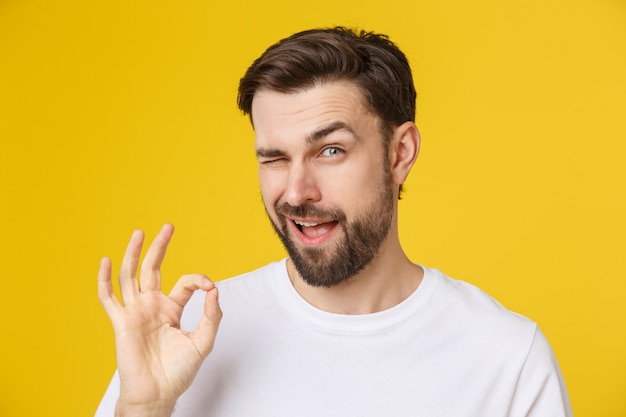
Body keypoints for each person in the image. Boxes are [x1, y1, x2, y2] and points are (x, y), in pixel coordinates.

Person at [95, 27, 573, 417]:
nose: (297, 192)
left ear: (399, 153)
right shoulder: (188, 334)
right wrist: (145, 407)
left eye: (330, 151)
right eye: (275, 158)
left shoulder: (507, 357)